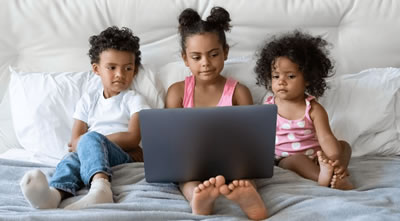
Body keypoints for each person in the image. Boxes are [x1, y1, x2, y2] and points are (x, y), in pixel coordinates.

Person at [19, 26, 150, 209]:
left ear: (134, 70)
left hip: (124, 155)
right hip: (90, 151)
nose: (120, 74)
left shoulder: (134, 99)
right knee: (71, 160)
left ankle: (101, 187)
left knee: (89, 139)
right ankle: (54, 194)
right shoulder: (88, 100)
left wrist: (94, 141)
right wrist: (87, 143)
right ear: (96, 69)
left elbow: (133, 138)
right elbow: (74, 141)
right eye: (112, 67)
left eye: (128, 68)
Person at [165, 7, 268, 220]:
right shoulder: (177, 92)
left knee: (245, 176)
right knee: (188, 181)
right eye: (196, 57)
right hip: (192, 164)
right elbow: (170, 137)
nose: (205, 62)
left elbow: (250, 137)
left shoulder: (239, 91)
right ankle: (199, 198)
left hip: (233, 161)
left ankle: (248, 197)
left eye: (213, 54)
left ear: (225, 52)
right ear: (185, 59)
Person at [254, 30, 354, 190]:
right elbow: (259, 139)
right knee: (296, 161)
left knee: (344, 146)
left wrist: (334, 158)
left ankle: (338, 171)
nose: (282, 82)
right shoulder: (268, 106)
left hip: (318, 156)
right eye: (276, 76)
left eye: (290, 76)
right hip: (286, 158)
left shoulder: (313, 109)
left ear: (308, 79)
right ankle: (324, 177)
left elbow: (326, 138)